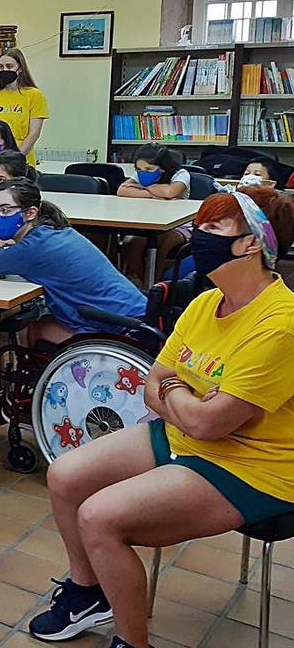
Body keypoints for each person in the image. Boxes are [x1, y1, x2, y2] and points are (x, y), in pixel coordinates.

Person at [28, 187, 294, 648]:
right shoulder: (205, 302)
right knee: (65, 475)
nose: (197, 233)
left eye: (213, 227)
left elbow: (211, 425)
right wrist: (184, 397)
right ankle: (88, 593)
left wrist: (177, 395)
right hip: (183, 436)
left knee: (100, 517)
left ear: (252, 243)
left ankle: (132, 643)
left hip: (253, 466)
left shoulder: (281, 324)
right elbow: (153, 385)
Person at [0, 178, 147, 345]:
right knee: (41, 322)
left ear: (30, 213)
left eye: (5, 210)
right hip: (136, 314)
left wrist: (0, 259)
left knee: (35, 329)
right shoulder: (56, 231)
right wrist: (4, 258)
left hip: (120, 327)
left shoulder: (31, 249)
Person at [117, 143, 192, 284]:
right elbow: (122, 190)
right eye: (139, 169)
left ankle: (157, 283)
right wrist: (153, 194)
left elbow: (171, 192)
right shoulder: (142, 173)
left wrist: (142, 187)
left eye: (148, 169)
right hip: (148, 223)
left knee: (164, 243)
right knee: (130, 242)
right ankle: (143, 281)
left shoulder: (181, 174)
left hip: (178, 225)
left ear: (162, 168)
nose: (143, 172)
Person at [0, 48, 49, 165]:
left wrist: (16, 158)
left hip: (22, 158)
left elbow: (34, 133)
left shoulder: (34, 95)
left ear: (20, 69)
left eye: (9, 66)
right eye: (1, 67)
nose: (5, 70)